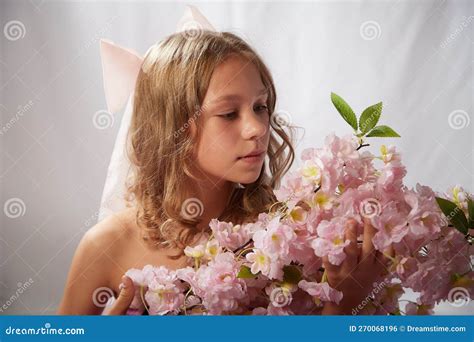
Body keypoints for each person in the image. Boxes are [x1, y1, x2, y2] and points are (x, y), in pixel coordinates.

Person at [58, 31, 389, 315]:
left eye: (260, 106)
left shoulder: (293, 233)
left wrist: (345, 307)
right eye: (230, 113)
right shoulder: (106, 246)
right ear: (174, 126)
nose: (258, 127)